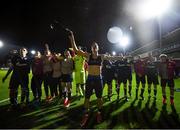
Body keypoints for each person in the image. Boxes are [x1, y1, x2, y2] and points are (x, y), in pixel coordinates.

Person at [68, 30, 122, 127]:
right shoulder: (88, 56)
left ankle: (99, 113)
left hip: (98, 79)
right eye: (92, 46)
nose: (94, 47)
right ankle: (86, 114)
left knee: (99, 98)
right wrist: (72, 38)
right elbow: (75, 50)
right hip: (90, 79)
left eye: (95, 46)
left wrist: (122, 57)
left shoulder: (101, 56)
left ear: (97, 48)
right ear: (91, 48)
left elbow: (112, 58)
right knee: (87, 98)